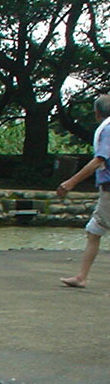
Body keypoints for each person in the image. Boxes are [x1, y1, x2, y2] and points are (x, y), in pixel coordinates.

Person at [55, 93, 110, 288]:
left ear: (97, 114)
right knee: (94, 231)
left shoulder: (108, 129)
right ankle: (81, 276)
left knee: (95, 230)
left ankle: (82, 277)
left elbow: (99, 160)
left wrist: (71, 182)